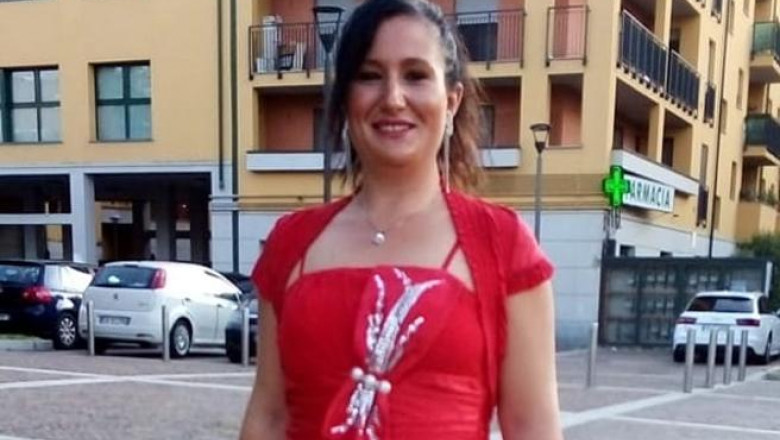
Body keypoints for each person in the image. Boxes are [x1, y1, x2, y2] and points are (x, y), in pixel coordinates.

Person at [239, 0, 562, 438]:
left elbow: (531, 426)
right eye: (369, 76)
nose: (393, 98)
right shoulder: (291, 242)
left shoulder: (502, 244)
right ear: (346, 100)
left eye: (415, 75)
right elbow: (269, 415)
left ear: (451, 101)